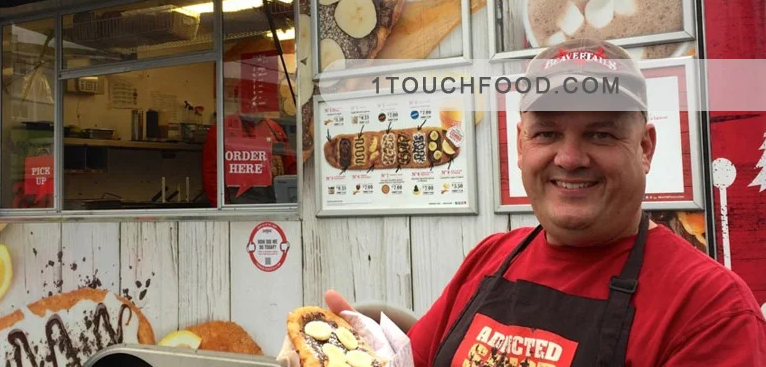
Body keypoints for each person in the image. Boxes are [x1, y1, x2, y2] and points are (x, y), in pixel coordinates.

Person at [326, 38, 766, 366]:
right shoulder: (490, 258)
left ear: (646, 147)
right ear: (521, 144)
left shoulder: (710, 309)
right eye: (547, 133)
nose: (570, 158)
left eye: (601, 133)